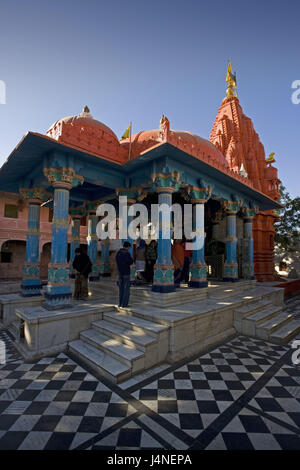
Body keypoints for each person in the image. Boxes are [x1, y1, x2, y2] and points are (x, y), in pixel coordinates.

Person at [116, 241, 134, 308]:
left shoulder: (118, 253)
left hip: (120, 272)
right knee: (126, 289)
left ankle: (120, 303)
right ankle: (124, 304)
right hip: (126, 272)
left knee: (121, 289)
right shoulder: (126, 253)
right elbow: (130, 261)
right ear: (128, 247)